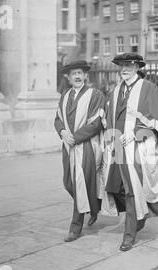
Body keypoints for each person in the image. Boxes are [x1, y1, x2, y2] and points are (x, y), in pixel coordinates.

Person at [102, 53, 158, 252]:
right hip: (117, 145)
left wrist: (134, 133)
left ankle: (130, 233)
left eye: (129, 65)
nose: (124, 69)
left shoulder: (148, 88)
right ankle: (139, 218)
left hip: (138, 147)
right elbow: (109, 118)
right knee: (116, 187)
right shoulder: (116, 91)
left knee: (132, 189)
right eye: (122, 65)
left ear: (137, 67)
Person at [54, 60, 106, 242]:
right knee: (68, 183)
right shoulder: (65, 95)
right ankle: (93, 206)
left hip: (87, 147)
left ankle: (76, 228)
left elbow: (96, 123)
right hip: (68, 148)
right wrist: (61, 131)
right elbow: (57, 119)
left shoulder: (95, 95)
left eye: (80, 73)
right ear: (68, 78)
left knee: (79, 184)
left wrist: (75, 137)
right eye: (73, 73)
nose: (77, 76)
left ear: (85, 76)